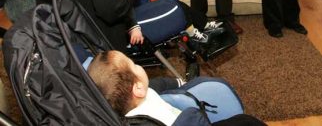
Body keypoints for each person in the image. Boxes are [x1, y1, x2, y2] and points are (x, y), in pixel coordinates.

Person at [88, 50, 267, 125]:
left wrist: (178, 83)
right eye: (134, 65)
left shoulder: (135, 100)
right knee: (246, 121)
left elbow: (158, 85)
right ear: (138, 88)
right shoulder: (150, 118)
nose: (138, 66)